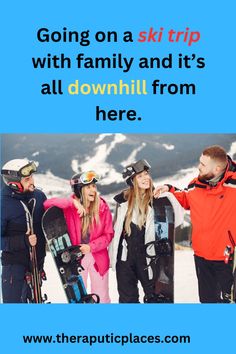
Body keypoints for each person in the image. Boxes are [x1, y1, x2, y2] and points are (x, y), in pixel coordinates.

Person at [154, 145, 236, 303]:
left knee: (230, 302)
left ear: (218, 168)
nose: (198, 166)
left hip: (228, 259)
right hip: (202, 257)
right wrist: (169, 188)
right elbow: (185, 197)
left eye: (203, 164)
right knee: (207, 301)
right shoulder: (196, 185)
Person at [110, 159, 181, 303]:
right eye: (140, 176)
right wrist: (113, 258)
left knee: (154, 298)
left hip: (148, 258)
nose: (145, 178)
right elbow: (115, 232)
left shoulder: (159, 200)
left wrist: (169, 194)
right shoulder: (123, 203)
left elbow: (177, 220)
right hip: (125, 259)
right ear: (132, 181)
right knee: (127, 299)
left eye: (146, 174)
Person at [44, 170, 114, 303]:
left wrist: (90, 247)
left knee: (102, 297)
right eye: (88, 187)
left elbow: (108, 235)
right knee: (78, 297)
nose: (93, 189)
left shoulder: (102, 207)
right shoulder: (69, 207)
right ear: (78, 190)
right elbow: (47, 204)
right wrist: (73, 203)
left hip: (97, 258)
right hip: (76, 260)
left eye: (94, 186)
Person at [1, 159, 47, 303]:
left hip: (36, 265)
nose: (32, 181)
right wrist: (24, 240)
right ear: (14, 183)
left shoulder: (39, 197)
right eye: (27, 179)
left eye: (32, 177)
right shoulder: (3, 203)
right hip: (14, 267)